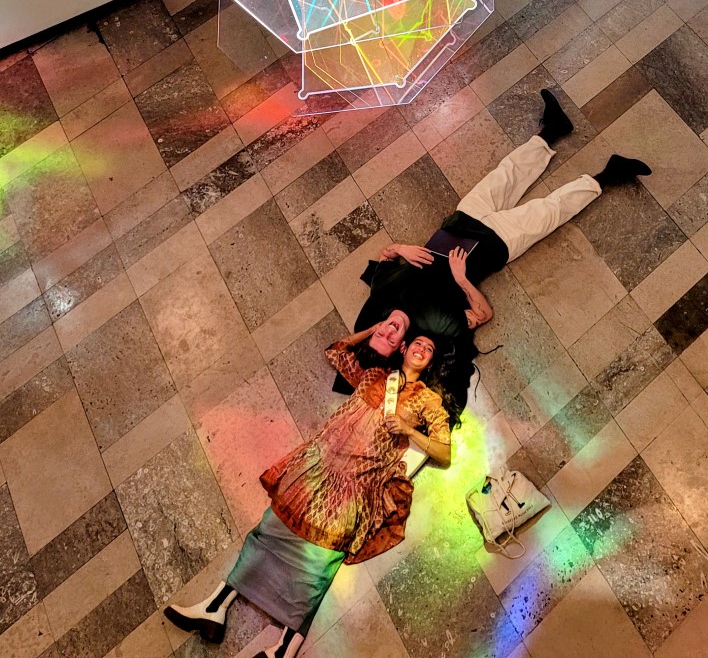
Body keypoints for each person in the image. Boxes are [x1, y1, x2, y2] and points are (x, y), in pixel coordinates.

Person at [164, 324, 457, 658]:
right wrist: (376, 328)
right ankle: (214, 608)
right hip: (317, 466)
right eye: (416, 342)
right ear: (403, 349)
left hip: (356, 482)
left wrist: (408, 430)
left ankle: (284, 649)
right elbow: (336, 352)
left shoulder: (428, 401)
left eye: (428, 348)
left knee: (317, 562)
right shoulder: (375, 375)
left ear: (430, 362)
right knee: (269, 530)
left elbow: (444, 452)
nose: (421, 348)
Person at [334, 89, 651, 390]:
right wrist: (462, 281)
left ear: (375, 328)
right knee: (551, 210)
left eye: (381, 334)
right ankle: (610, 175)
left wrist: (399, 248)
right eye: (392, 341)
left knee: (508, 173)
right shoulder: (433, 328)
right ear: (401, 346)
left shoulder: (383, 290)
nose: (390, 332)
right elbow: (484, 315)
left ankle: (552, 129)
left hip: (461, 221)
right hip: (494, 245)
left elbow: (386, 256)